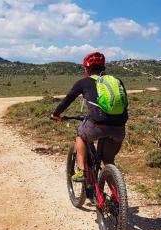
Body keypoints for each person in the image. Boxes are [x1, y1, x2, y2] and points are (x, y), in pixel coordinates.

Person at [51, 51, 128, 182]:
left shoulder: (83, 82)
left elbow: (67, 101)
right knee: (108, 160)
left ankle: (81, 170)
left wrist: (55, 114)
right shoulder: (116, 81)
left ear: (86, 69)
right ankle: (118, 196)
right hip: (119, 128)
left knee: (80, 135)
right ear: (103, 67)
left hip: (97, 125)